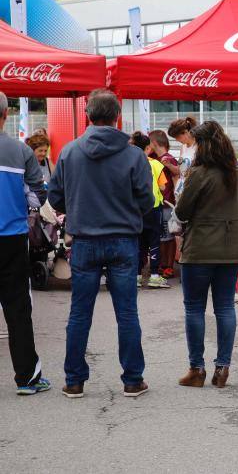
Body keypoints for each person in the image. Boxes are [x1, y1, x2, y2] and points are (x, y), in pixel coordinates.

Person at [48, 89, 153, 399]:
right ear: (116, 116)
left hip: (84, 240)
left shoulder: (70, 152)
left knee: (80, 313)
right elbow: (147, 199)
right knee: (127, 313)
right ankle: (133, 379)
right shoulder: (134, 154)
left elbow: (55, 197)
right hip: (123, 239)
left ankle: (74, 380)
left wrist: (77, 206)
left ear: (88, 116)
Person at [174, 121, 238, 389]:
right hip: (233, 249)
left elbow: (182, 212)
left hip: (200, 249)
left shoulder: (199, 174)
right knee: (225, 307)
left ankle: (197, 369)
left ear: (202, 145)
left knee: (194, 308)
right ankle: (223, 366)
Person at [0, 91, 51, 395]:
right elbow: (39, 193)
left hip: (13, 234)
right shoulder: (21, 151)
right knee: (18, 307)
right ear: (6, 115)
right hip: (12, 237)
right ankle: (27, 378)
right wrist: (28, 209)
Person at [130, 131, 169, 289]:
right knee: (154, 242)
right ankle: (154, 275)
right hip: (153, 208)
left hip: (135, 209)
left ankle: (137, 276)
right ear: (148, 148)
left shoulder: (130, 163)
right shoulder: (156, 164)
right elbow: (162, 186)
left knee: (138, 243)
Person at [148, 130, 179, 279]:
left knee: (169, 236)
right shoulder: (153, 158)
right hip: (159, 203)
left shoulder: (168, 159)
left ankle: (168, 265)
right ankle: (161, 264)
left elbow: (176, 174)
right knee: (161, 236)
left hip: (167, 203)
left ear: (154, 143)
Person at [167, 116, 198, 198]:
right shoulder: (183, 147)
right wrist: (169, 165)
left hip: (194, 188)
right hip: (182, 188)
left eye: (177, 137)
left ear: (186, 132)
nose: (177, 140)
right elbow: (180, 171)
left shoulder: (199, 147)